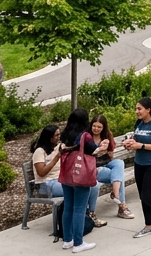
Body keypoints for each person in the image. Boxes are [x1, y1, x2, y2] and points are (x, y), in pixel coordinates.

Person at [56, 108, 100, 251]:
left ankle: (67, 240)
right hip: (80, 175)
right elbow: (93, 150)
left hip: (66, 174)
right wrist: (102, 147)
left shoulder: (65, 135)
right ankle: (78, 243)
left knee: (68, 207)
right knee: (79, 209)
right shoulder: (85, 136)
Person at [90, 113, 134, 220]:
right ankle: (121, 206)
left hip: (106, 163)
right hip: (93, 168)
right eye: (94, 126)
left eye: (99, 127)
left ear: (103, 127)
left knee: (119, 163)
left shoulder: (106, 136)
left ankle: (116, 194)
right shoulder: (87, 137)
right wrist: (98, 150)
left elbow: (111, 155)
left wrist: (107, 148)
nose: (96, 129)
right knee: (119, 178)